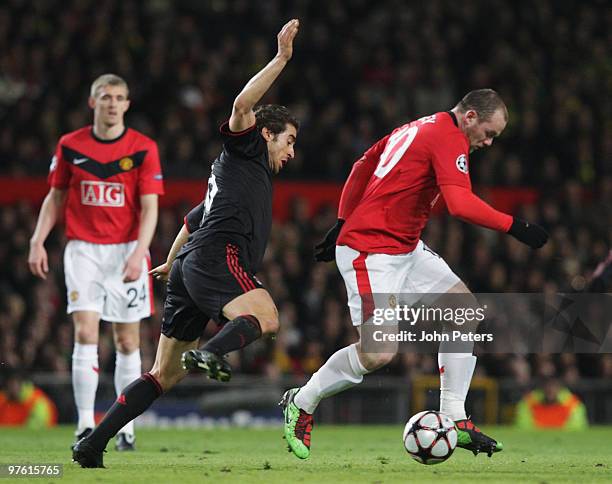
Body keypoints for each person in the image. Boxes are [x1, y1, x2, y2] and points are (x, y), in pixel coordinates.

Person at [72, 19, 300, 468]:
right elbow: (240, 105)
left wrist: (170, 263)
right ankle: (210, 353)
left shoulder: (232, 177)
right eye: (290, 140)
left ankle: (91, 443)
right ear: (266, 133)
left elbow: (193, 219)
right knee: (268, 317)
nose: (292, 153)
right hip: (218, 258)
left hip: (191, 266)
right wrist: (281, 59)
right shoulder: (247, 148)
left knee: (163, 374)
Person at [281, 89, 549, 459]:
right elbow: (459, 203)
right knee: (378, 353)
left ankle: (454, 417)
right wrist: (516, 226)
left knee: (462, 310)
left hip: (405, 247)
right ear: (470, 116)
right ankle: (302, 401)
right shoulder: (447, 135)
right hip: (371, 250)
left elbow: (362, 166)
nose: (488, 143)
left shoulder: (418, 126)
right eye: (489, 133)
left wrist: (341, 219)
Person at [28, 74, 164, 451]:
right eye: (105, 97)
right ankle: (85, 425)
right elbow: (55, 197)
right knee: (85, 333)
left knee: (126, 340)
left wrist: (140, 252)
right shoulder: (70, 145)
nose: (112, 103)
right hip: (83, 249)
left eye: (119, 97)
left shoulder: (142, 148)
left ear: (127, 104)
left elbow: (150, 207)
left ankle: (126, 429)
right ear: (93, 103)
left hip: (126, 250)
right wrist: (38, 239)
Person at [515, 378, 588, 430]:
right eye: (548, 385)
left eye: (554, 386)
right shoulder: (529, 401)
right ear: (542, 387)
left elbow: (577, 427)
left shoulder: (572, 403)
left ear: (560, 387)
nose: (550, 389)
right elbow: (523, 426)